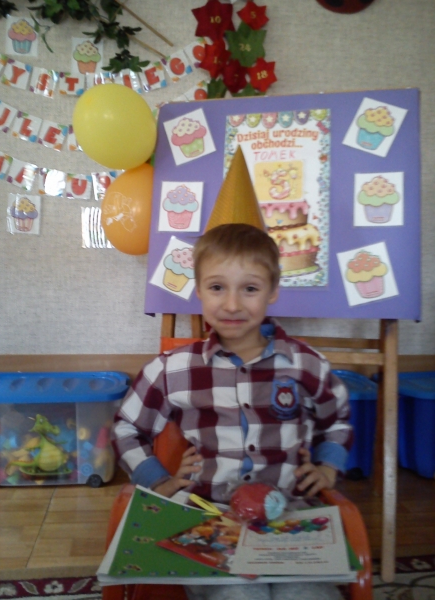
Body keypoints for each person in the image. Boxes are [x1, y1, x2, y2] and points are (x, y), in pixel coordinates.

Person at [112, 223, 353, 600]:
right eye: (217, 287)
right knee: (239, 595)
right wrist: (159, 481)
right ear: (198, 289)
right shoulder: (173, 368)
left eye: (250, 289)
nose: (232, 304)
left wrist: (327, 466)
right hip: (208, 517)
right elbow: (127, 427)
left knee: (307, 595)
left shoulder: (306, 364)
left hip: (289, 517)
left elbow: (336, 419)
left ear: (273, 290)